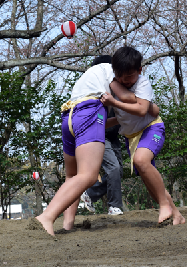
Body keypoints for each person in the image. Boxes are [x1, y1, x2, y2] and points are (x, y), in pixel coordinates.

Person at [35, 57, 137, 236]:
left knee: (72, 176)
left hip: (69, 116)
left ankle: (68, 224)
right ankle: (46, 217)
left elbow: (98, 123)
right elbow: (128, 97)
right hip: (90, 112)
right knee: (88, 176)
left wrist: (122, 119)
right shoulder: (109, 71)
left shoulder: (88, 79)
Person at [100, 46, 185, 225]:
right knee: (150, 180)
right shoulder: (113, 82)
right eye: (120, 76)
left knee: (141, 161)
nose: (125, 80)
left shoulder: (142, 83)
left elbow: (141, 110)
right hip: (131, 138)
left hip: (151, 128)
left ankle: (164, 205)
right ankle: (176, 214)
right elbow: (122, 117)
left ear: (140, 70)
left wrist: (115, 101)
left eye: (129, 76)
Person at [80, 55, 124, 216]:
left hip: (113, 135)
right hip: (99, 134)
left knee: (118, 172)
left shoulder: (118, 89)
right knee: (113, 168)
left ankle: (91, 194)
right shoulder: (94, 92)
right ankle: (114, 206)